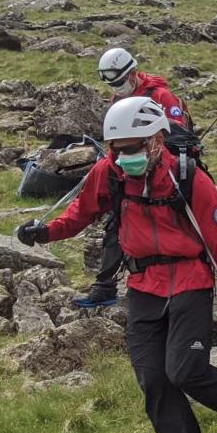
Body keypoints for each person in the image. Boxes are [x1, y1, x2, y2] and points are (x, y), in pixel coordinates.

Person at [15, 97, 217, 433]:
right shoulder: (110, 171)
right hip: (143, 287)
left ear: (157, 140)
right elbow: (81, 212)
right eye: (118, 149)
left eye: (133, 148)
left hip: (189, 283)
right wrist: (46, 232)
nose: (124, 157)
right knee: (153, 380)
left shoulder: (188, 177)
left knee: (186, 370)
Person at [76, 47, 194, 308]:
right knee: (115, 225)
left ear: (132, 72)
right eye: (112, 84)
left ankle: (188, 281)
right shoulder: (117, 101)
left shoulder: (162, 97)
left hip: (165, 176)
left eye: (119, 81)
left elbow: (179, 137)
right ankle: (105, 286)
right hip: (129, 175)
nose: (118, 88)